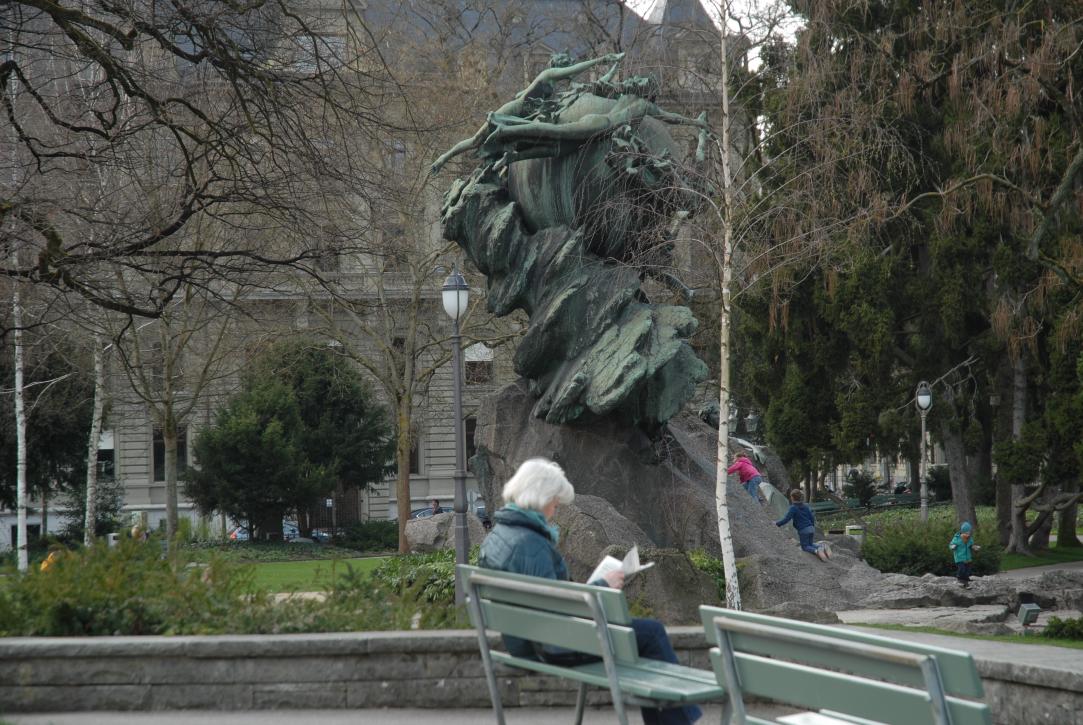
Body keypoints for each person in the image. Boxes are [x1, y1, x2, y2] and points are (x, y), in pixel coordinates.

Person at [478, 457, 701, 725]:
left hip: (524, 641)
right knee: (651, 634)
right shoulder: (530, 543)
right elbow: (557, 608)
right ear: (539, 497)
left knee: (640, 639)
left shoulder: (498, 536)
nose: (555, 508)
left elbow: (546, 598)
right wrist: (602, 586)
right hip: (550, 646)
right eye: (554, 501)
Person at [776, 489, 828, 561]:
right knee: (810, 544)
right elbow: (811, 517)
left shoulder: (793, 508)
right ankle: (822, 546)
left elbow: (786, 519)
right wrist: (812, 526)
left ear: (792, 497)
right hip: (811, 528)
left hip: (803, 530)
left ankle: (817, 551)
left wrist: (776, 524)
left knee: (805, 546)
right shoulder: (805, 506)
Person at [949, 521, 980, 588]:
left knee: (968, 569)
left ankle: (966, 579)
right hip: (959, 558)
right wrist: (952, 546)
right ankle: (960, 580)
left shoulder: (970, 539)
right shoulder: (957, 538)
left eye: (969, 531)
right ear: (963, 531)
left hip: (967, 558)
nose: (969, 533)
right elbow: (951, 545)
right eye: (967, 532)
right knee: (962, 569)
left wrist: (975, 547)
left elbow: (971, 545)